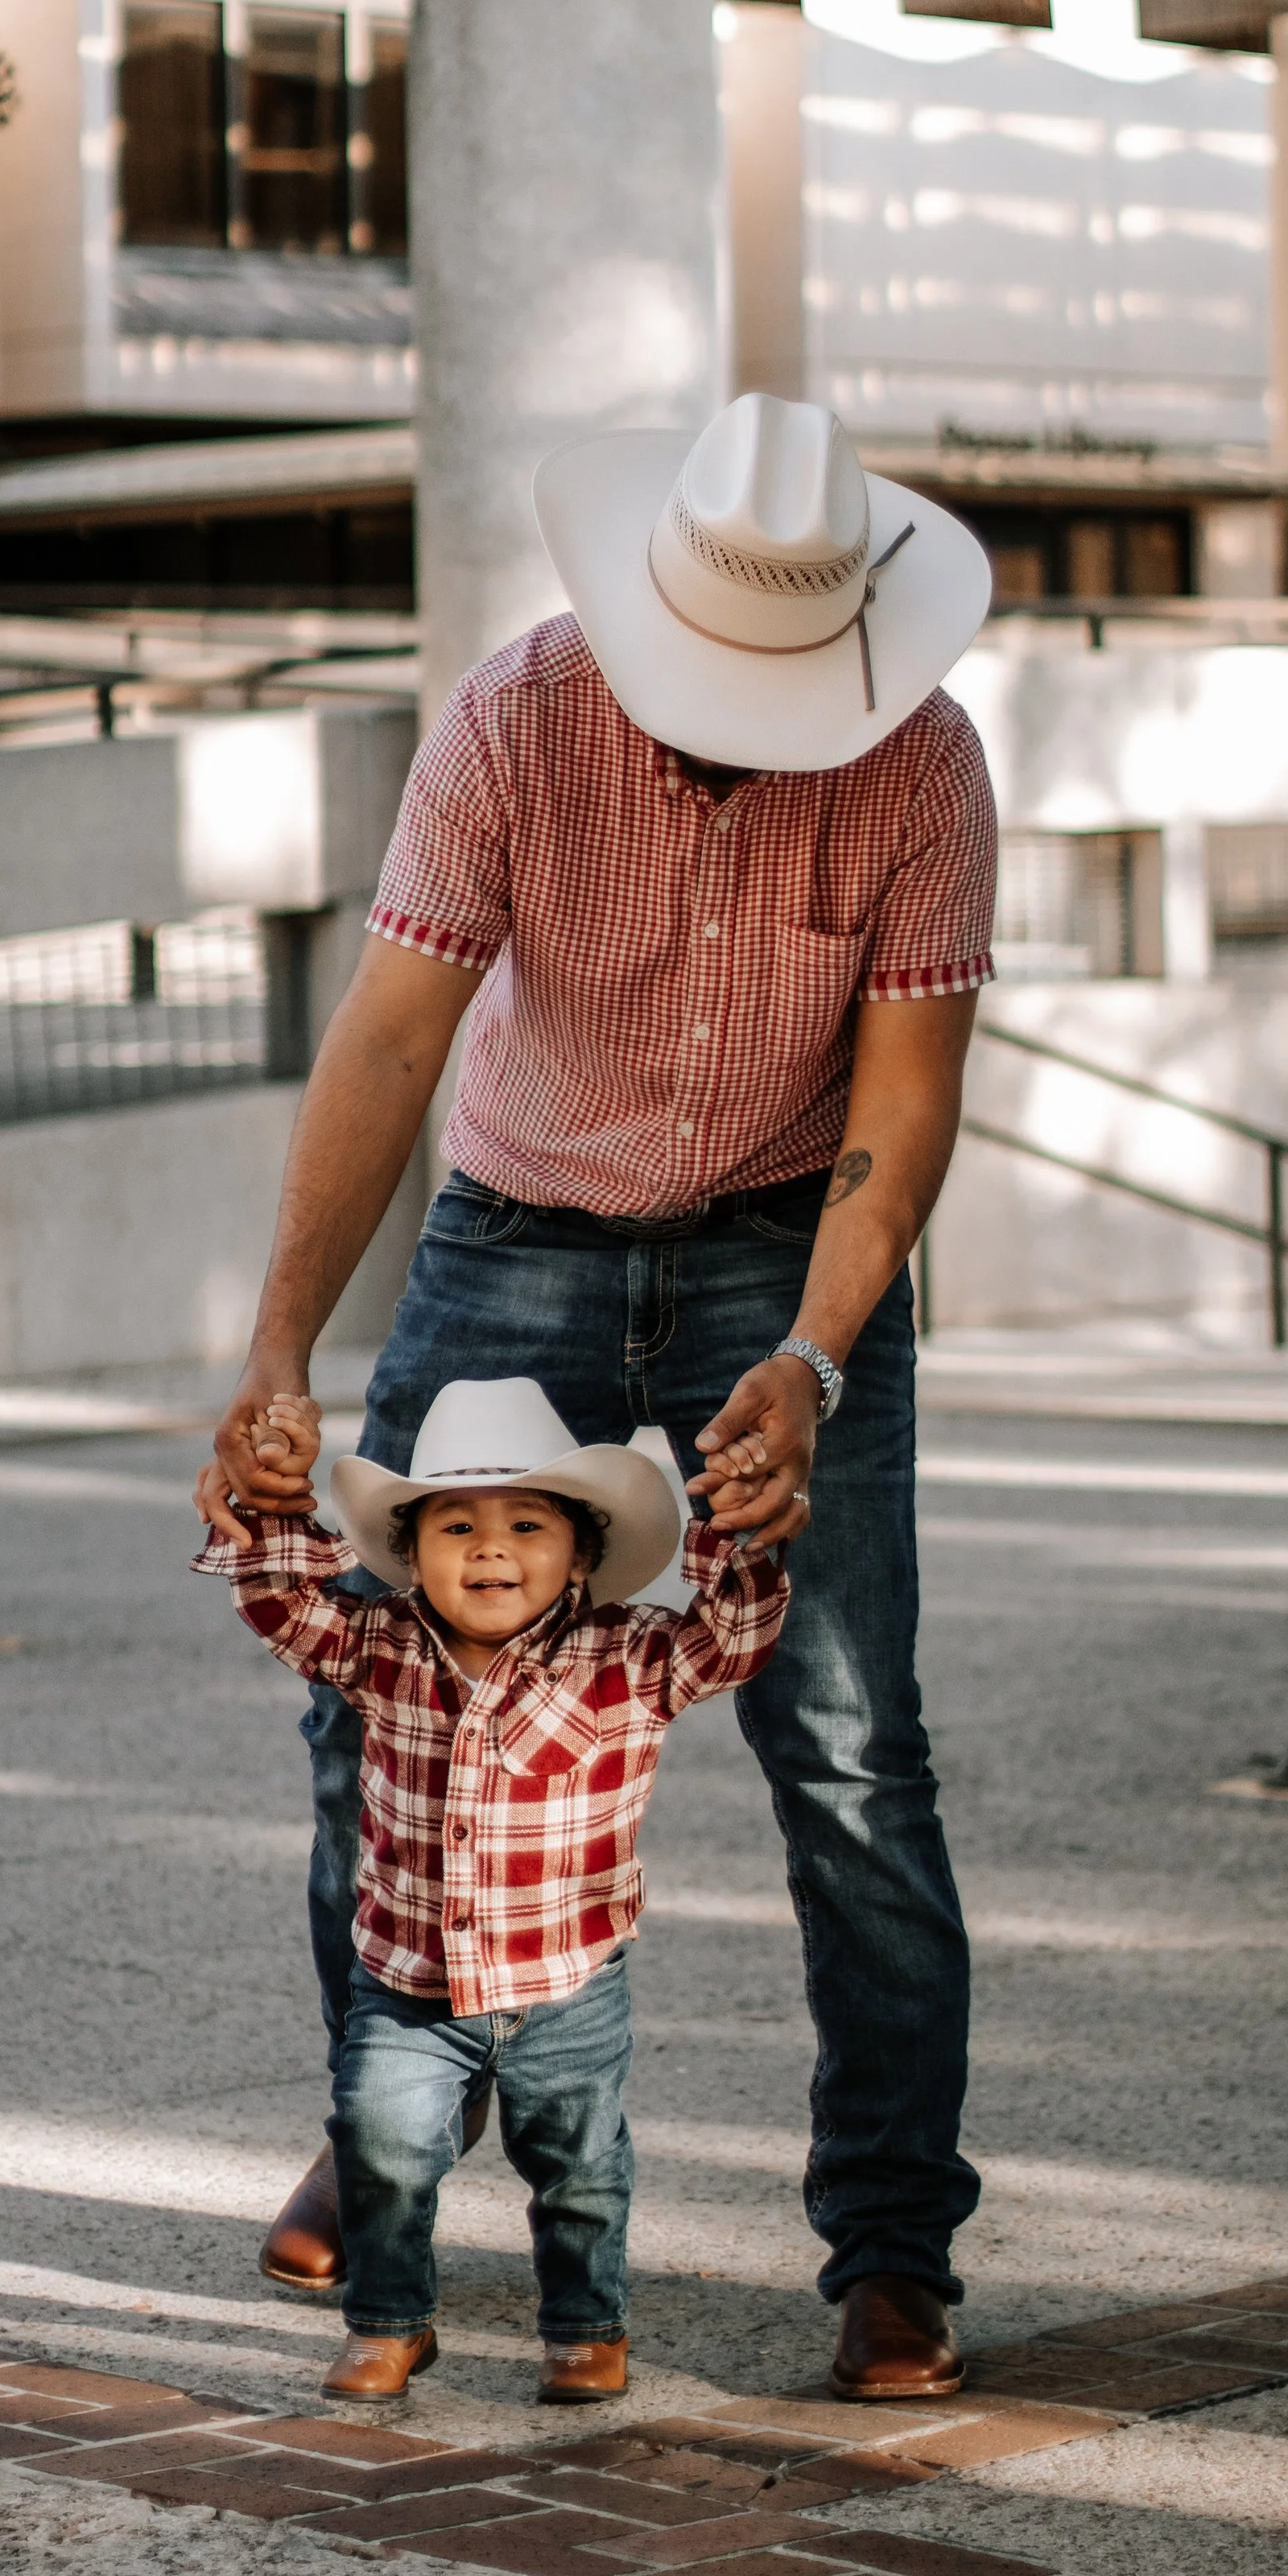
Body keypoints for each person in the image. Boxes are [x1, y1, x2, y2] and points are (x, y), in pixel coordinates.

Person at [196, 390, 998, 2402]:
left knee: (846, 1748)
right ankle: (385, 2134)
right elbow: (389, 1041)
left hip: (784, 1262)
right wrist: (279, 1347)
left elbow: (901, 1113)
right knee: (372, 1710)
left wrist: (812, 1359)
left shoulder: (926, 767)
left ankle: (894, 2245)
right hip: (519, 1235)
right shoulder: (515, 718)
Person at [193, 1374, 790, 2403]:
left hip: (569, 1980)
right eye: (455, 1526)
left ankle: (584, 2328)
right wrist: (271, 1508)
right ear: (409, 1554)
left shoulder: (627, 1658)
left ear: (583, 1553)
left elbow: (732, 1639)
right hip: (407, 1980)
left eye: (527, 1524)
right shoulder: (379, 1646)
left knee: (581, 2170)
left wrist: (730, 1525)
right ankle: (388, 2324)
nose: (490, 1548)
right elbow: (284, 1609)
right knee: (379, 2145)